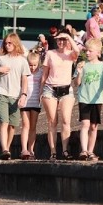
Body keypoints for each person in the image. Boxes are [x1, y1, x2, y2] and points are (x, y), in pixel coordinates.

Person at [0, 32, 30, 160]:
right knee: (4, 122)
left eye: (10, 43)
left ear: (15, 43)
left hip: (15, 96)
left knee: (12, 125)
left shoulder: (23, 61)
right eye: (5, 43)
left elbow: (24, 79)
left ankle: (7, 148)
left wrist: (23, 94)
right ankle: (5, 149)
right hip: (1, 94)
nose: (7, 45)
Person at [40, 32, 80, 160]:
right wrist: (40, 92)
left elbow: (77, 51)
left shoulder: (70, 54)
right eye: (59, 40)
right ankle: (53, 151)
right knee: (52, 121)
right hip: (50, 89)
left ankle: (65, 150)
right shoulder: (50, 54)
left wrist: (68, 37)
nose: (61, 42)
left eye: (63, 40)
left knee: (66, 120)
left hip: (66, 89)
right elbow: (45, 74)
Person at [73, 38, 103, 161]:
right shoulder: (83, 65)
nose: (87, 53)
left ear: (97, 52)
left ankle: (90, 151)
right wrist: (79, 73)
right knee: (85, 124)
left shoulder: (102, 66)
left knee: (94, 126)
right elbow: (76, 83)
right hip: (84, 98)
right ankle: (84, 150)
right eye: (86, 51)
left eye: (90, 51)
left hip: (97, 100)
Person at [20, 51, 44, 160]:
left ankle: (31, 149)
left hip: (35, 102)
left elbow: (42, 85)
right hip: (25, 102)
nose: (33, 67)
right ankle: (24, 149)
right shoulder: (24, 73)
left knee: (33, 127)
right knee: (26, 125)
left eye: (35, 65)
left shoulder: (41, 72)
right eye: (30, 65)